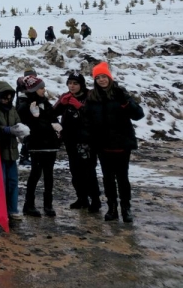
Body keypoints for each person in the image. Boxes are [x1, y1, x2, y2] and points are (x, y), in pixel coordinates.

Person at [86, 61, 144, 222]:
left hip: (121, 144)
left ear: (110, 78)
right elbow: (87, 120)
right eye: (98, 78)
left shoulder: (120, 93)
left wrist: (125, 102)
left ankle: (126, 208)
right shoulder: (92, 97)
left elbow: (138, 114)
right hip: (102, 145)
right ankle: (112, 208)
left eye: (104, 76)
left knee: (122, 177)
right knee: (107, 178)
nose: (102, 80)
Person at [54, 72, 101, 212]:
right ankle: (82, 198)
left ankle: (95, 200)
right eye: (70, 83)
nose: (72, 86)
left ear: (81, 84)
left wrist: (80, 107)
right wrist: (61, 105)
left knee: (88, 171)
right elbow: (52, 113)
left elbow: (96, 116)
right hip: (70, 139)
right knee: (75, 171)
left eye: (75, 83)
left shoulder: (90, 95)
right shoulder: (65, 96)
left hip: (87, 140)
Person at [16, 75, 61, 217]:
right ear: (34, 89)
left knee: (49, 175)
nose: (43, 90)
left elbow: (52, 118)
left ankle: (48, 204)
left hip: (50, 144)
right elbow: (26, 125)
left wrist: (57, 126)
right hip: (37, 143)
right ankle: (29, 204)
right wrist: (38, 120)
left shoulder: (45, 103)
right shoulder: (25, 105)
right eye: (41, 88)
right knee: (35, 174)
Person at [0, 82, 27, 222]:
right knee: (1, 181)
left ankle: (12, 209)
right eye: (3, 97)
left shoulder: (12, 109)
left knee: (12, 181)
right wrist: (5, 129)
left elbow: (18, 122)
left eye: (9, 97)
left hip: (12, 150)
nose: (6, 100)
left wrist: (21, 131)